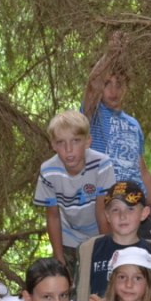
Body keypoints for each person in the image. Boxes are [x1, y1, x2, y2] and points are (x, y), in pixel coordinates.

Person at [82, 58, 151, 258]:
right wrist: (112, 53)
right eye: (107, 84)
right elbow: (92, 86)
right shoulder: (94, 116)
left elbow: (143, 172)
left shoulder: (133, 124)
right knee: (117, 263)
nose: (114, 90)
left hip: (138, 205)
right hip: (111, 206)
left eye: (119, 84)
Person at [75, 181, 151, 301]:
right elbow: (76, 297)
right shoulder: (89, 249)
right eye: (115, 210)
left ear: (144, 213)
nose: (122, 216)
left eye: (130, 209)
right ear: (107, 215)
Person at [34, 110, 115, 269]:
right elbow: (53, 216)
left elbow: (102, 211)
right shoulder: (48, 171)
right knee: (71, 279)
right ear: (53, 145)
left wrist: (106, 248)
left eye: (76, 141)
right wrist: (59, 257)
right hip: (68, 237)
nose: (68, 149)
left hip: (98, 233)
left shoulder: (102, 164)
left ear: (87, 141)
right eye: (61, 142)